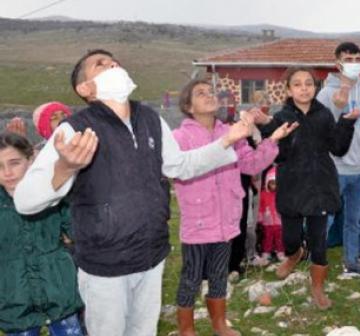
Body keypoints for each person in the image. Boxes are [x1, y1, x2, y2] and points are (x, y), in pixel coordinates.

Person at [13, 49, 256, 336]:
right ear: (85, 88)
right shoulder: (73, 130)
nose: (112, 64)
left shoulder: (151, 119)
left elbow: (181, 166)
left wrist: (228, 139)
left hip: (151, 256)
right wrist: (65, 168)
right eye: (100, 64)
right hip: (105, 263)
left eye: (113, 60)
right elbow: (25, 201)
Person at [171, 79, 291, 336]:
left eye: (210, 91)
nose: (209, 95)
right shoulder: (180, 137)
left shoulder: (232, 132)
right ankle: (187, 329)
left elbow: (250, 165)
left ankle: (219, 324)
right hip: (198, 219)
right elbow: (177, 171)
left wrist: (273, 140)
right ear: (188, 106)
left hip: (227, 218)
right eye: (201, 93)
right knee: (191, 277)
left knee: (219, 274)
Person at [257, 67, 359, 310]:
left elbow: (338, 149)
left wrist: (346, 124)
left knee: (319, 241)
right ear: (289, 90)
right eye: (298, 84)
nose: (304, 88)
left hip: (320, 186)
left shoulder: (323, 115)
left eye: (308, 84)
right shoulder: (281, 118)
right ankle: (294, 254)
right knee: (291, 237)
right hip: (292, 186)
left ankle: (317, 288)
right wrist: (267, 129)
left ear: (315, 88)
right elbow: (276, 155)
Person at [0, 132, 84, 336]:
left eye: (14, 163)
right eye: (0, 166)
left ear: (31, 160)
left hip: (59, 291)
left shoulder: (52, 193)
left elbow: (78, 230)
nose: (7, 172)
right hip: (13, 299)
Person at [317, 41, 360, 278]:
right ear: (338, 63)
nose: (353, 64)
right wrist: (338, 107)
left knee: (355, 220)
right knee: (326, 218)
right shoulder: (326, 93)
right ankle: (316, 262)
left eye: (357, 59)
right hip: (336, 168)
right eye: (348, 60)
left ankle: (351, 262)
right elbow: (319, 128)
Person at [257, 166, 285, 262]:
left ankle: (280, 251)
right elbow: (260, 206)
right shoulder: (264, 194)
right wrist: (260, 217)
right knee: (267, 237)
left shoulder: (281, 194)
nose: (274, 186)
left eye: (276, 184)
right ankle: (266, 252)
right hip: (267, 221)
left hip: (279, 221)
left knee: (279, 237)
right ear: (267, 183)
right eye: (272, 183)